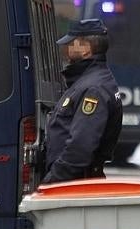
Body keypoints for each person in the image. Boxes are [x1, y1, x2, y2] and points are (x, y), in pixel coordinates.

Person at [43, 19, 122, 183]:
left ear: (86, 49)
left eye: (72, 43)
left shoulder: (93, 89)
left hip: (74, 184)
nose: (66, 48)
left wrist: (52, 182)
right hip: (75, 181)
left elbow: (80, 147)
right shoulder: (89, 81)